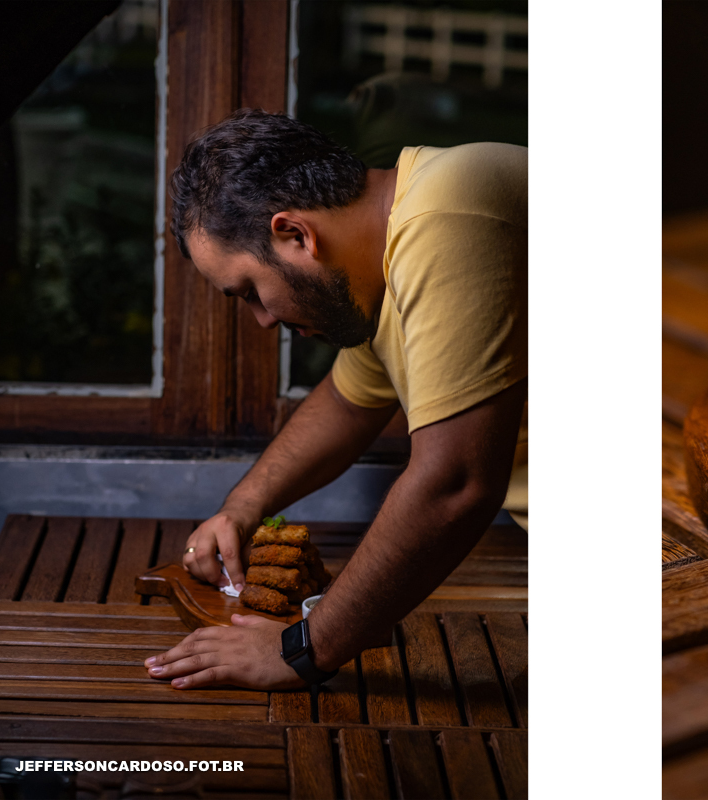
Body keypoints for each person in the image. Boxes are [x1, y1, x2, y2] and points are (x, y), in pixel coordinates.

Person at [143, 109, 526, 691]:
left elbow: (455, 485)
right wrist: (242, 508)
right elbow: (349, 404)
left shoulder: (445, 213)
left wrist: (299, 651)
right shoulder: (388, 260)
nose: (263, 320)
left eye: (250, 291)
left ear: (295, 234)